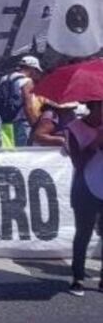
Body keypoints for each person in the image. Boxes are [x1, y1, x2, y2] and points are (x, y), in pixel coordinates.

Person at [64, 100, 103, 296]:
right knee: (83, 234)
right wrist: (95, 142)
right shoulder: (74, 128)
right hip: (84, 188)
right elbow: (78, 162)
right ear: (95, 107)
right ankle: (77, 277)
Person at [0, 56, 42, 147]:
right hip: (21, 124)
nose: (35, 73)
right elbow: (28, 106)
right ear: (32, 68)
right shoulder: (27, 81)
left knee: (9, 151)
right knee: (23, 152)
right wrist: (35, 126)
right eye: (36, 70)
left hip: (5, 122)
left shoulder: (3, 79)